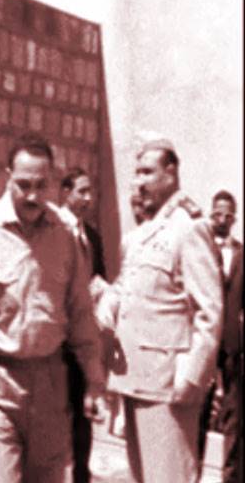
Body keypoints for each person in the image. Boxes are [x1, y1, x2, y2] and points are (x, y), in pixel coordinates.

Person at [0, 133, 105, 483]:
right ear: (8, 176)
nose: (33, 196)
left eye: (41, 185)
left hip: (49, 386)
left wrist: (95, 380)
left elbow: (81, 312)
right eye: (23, 185)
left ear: (52, 181)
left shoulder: (64, 233)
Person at [98, 137, 223, 483]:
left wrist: (192, 379)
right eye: (136, 173)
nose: (138, 181)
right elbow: (126, 287)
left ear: (171, 173)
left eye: (147, 172)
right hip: (135, 379)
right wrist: (103, 310)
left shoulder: (190, 229)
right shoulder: (141, 235)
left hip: (168, 385)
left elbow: (210, 312)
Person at [58, 167, 107, 483]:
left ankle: (80, 476)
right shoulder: (52, 231)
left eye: (91, 192)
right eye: (82, 191)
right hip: (57, 340)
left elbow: (101, 278)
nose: (88, 199)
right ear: (66, 192)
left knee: (83, 415)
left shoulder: (92, 237)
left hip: (83, 339)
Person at [199, 190, 243, 483]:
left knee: (235, 419)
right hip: (201, 345)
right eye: (217, 214)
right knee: (197, 415)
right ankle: (190, 474)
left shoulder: (242, 253)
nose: (222, 220)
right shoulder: (198, 249)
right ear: (210, 214)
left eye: (228, 215)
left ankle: (231, 477)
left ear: (234, 219)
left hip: (232, 349)